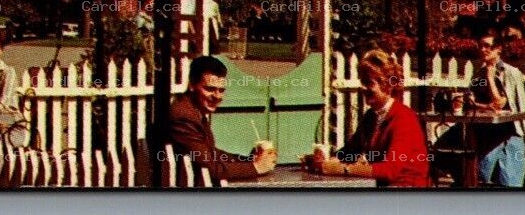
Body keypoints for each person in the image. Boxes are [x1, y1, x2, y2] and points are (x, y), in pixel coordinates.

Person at [304, 49, 429, 187]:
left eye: (368, 83)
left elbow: (389, 170)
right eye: (362, 82)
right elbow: (348, 153)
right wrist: (322, 160)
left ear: (387, 85)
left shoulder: (404, 119)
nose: (363, 88)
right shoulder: (371, 116)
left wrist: (343, 169)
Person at [168, 55, 277, 182]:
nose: (217, 96)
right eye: (209, 89)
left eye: (221, 90)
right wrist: (256, 167)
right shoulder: (184, 117)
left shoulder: (193, 110)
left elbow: (211, 153)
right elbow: (211, 168)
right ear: (192, 85)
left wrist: (247, 160)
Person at [466, 32, 525, 187]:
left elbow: (499, 103)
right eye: (480, 46)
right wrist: (483, 106)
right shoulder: (478, 73)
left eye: (487, 47)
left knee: (507, 181)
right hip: (485, 130)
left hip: (509, 131)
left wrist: (490, 78)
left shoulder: (509, 72)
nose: (483, 50)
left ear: (498, 49)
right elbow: (469, 100)